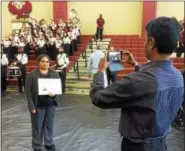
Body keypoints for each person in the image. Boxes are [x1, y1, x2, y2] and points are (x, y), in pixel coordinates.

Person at [90, 17, 184, 151]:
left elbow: (98, 98)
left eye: (146, 40)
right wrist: (136, 65)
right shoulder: (178, 76)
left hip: (139, 146)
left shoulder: (140, 81)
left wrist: (100, 71)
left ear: (151, 42)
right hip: (161, 144)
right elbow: (153, 83)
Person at [25, 54, 60, 151]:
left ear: (49, 63)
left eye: (47, 62)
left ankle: (49, 143)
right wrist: (31, 106)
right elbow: (28, 92)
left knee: (49, 125)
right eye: (43, 61)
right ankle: (37, 146)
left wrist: (55, 94)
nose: (45, 63)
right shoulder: (32, 75)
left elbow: (58, 89)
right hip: (37, 106)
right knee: (37, 127)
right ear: (38, 62)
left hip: (51, 105)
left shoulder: (55, 74)